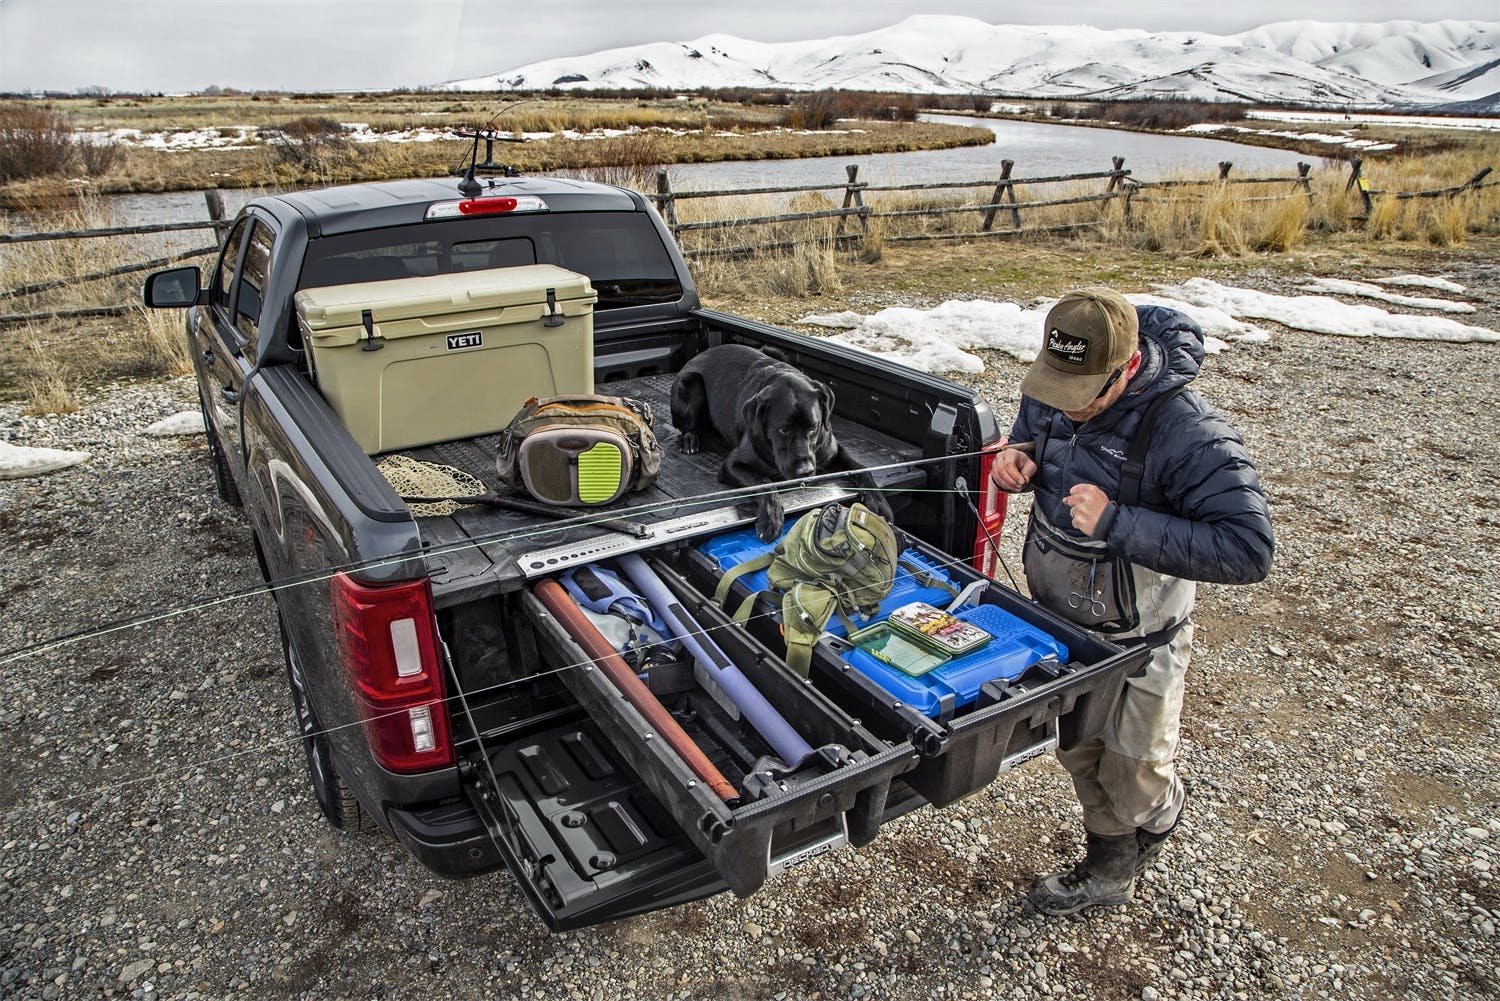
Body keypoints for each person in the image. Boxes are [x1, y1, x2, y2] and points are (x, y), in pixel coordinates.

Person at [990, 287, 1273, 916]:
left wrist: (1118, 522)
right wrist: (1018, 458)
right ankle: (1111, 869)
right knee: (1078, 752)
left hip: (1142, 637)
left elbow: (1249, 548)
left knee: (1135, 774)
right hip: (1063, 627)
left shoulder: (1187, 431)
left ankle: (1159, 818)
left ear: (1126, 368)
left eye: (1082, 394)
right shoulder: (1058, 379)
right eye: (1055, 389)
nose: (1066, 405)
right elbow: (1032, 434)